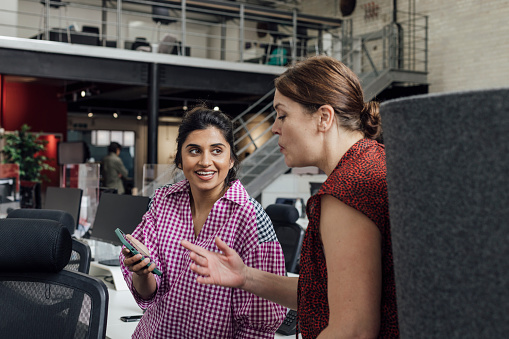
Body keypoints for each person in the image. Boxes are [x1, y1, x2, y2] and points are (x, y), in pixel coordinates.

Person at [181, 56, 399, 338]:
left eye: (282, 115)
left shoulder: (346, 189)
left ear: (324, 117)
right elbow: (322, 295)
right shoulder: (372, 162)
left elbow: (353, 330)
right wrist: (245, 276)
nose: (274, 128)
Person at [119, 107, 287, 338]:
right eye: (194, 151)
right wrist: (142, 272)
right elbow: (147, 294)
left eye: (217, 151)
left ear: (231, 160)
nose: (205, 162)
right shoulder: (163, 201)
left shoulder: (251, 219)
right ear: (180, 159)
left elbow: (259, 325)